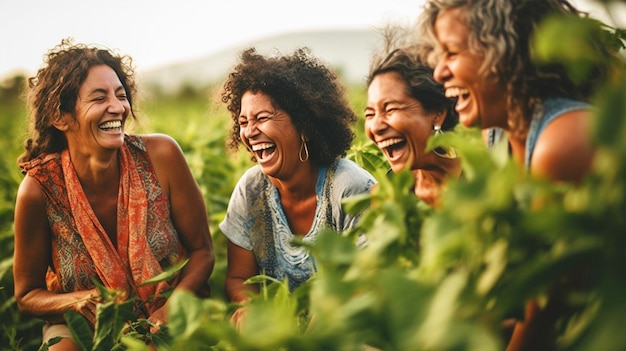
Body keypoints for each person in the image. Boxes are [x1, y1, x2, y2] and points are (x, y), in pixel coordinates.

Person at [417, 0, 617, 349]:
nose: (439, 72)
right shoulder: (498, 131)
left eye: (452, 52)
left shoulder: (559, 142)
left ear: (505, 54)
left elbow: (544, 314)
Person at [12, 39, 215, 350]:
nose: (118, 107)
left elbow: (202, 251)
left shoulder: (162, 155)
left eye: (121, 96)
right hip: (86, 324)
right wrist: (76, 300)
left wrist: (173, 307)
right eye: (99, 98)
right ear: (61, 117)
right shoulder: (40, 189)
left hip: (173, 307)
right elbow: (27, 295)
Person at [219, 47, 376, 329]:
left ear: (304, 126)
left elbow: (370, 281)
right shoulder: (250, 190)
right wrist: (250, 309)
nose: (250, 132)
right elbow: (239, 278)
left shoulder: (351, 189)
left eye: (262, 118)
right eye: (243, 122)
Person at [365, 28, 461, 207]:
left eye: (390, 109)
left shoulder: (481, 182)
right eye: (370, 114)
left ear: (438, 114)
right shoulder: (386, 196)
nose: (376, 126)